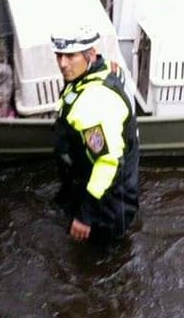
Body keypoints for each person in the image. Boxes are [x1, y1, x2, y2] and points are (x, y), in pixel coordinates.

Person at [51, 24, 139, 245]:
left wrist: (85, 215)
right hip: (108, 181)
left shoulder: (93, 104)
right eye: (59, 55)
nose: (63, 63)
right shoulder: (105, 68)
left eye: (70, 56)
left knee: (101, 259)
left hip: (107, 203)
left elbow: (109, 163)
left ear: (90, 54)